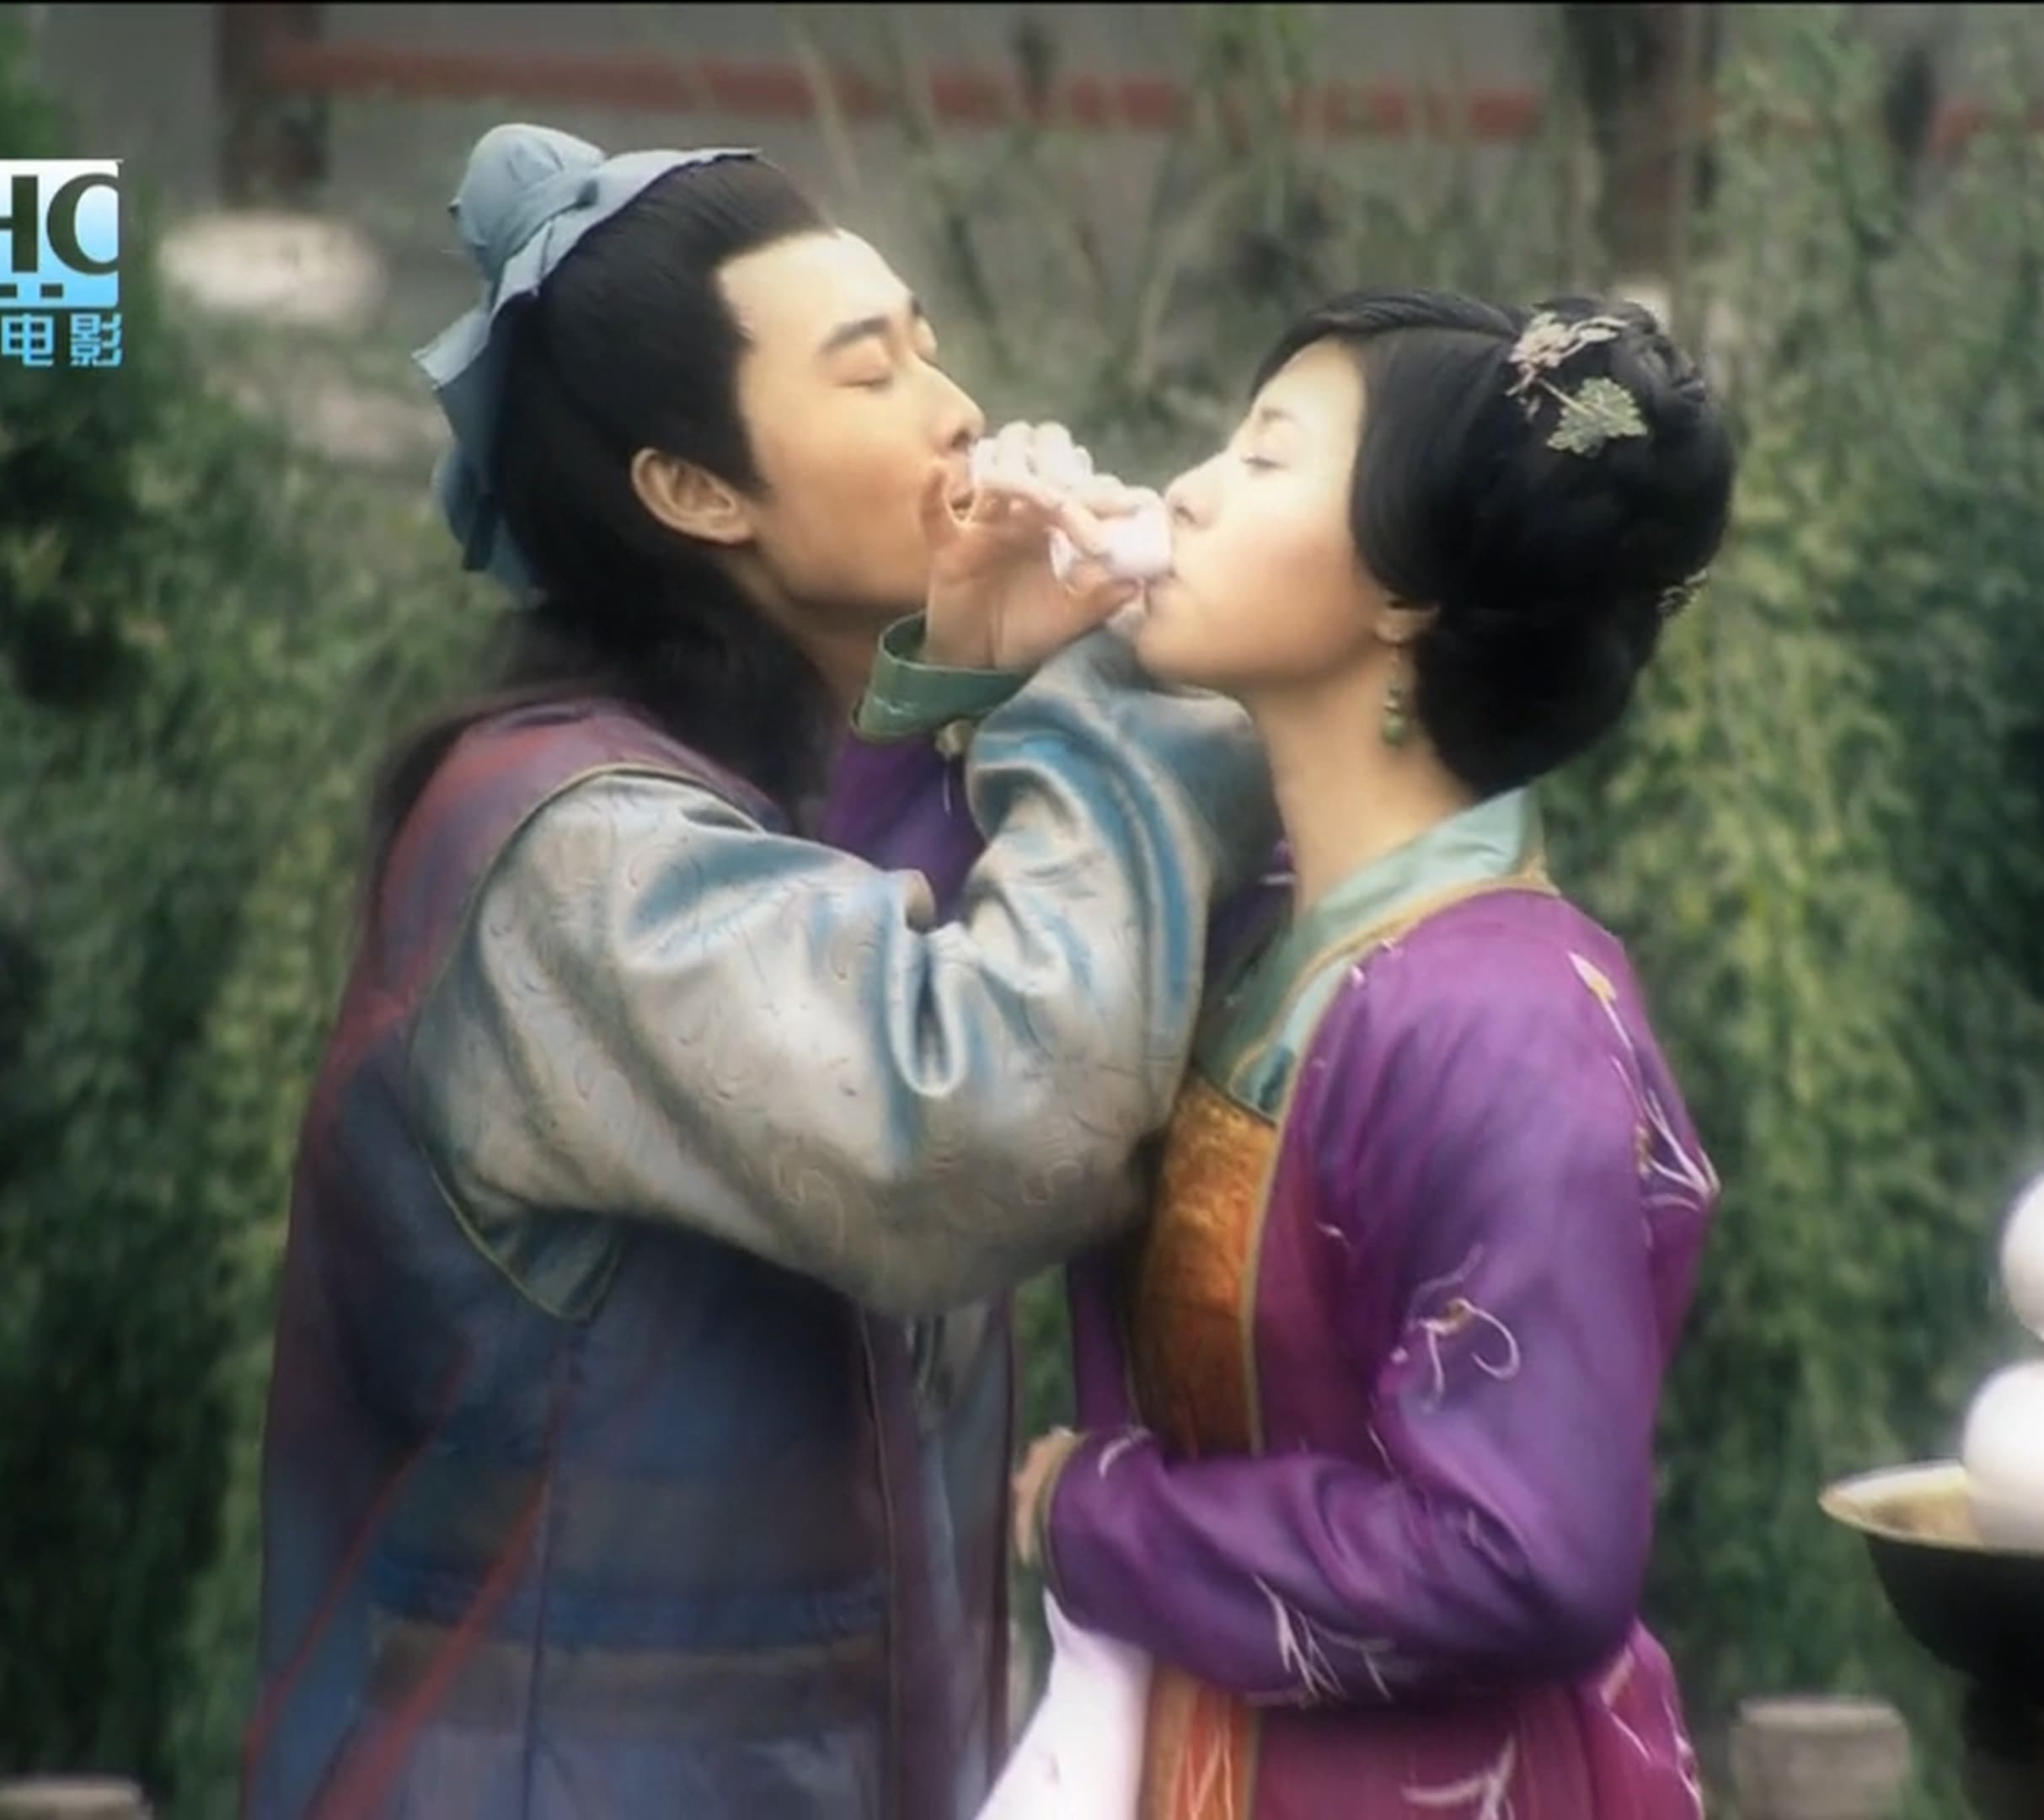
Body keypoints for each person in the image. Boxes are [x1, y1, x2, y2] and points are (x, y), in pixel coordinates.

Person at [241, 125, 1271, 1820]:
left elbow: (1006, 984)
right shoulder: (574, 858)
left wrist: (969, 693)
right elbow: (988, 1119)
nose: (956, 409)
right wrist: (1105, 712)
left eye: (931, 343)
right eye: (871, 373)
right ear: (696, 491)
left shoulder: (765, 806)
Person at [1004, 290, 1737, 1816]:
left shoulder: (1503, 1021)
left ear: (1404, 594)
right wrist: (982, 653)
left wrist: (1101, 1517)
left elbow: (1525, 1557)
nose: (1189, 489)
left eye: (1265, 456)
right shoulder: (1248, 925)